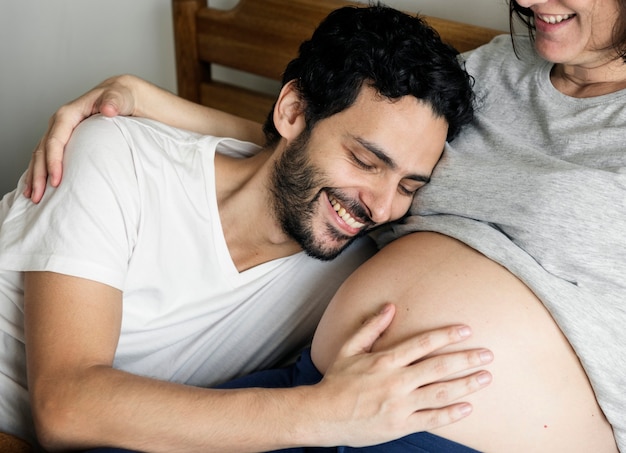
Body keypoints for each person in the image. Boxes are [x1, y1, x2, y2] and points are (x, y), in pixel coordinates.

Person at [25, 0, 626, 451]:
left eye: (410, 189)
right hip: (319, 388)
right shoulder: (491, 72)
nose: (387, 205)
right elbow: (340, 135)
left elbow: (355, 155)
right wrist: (144, 100)